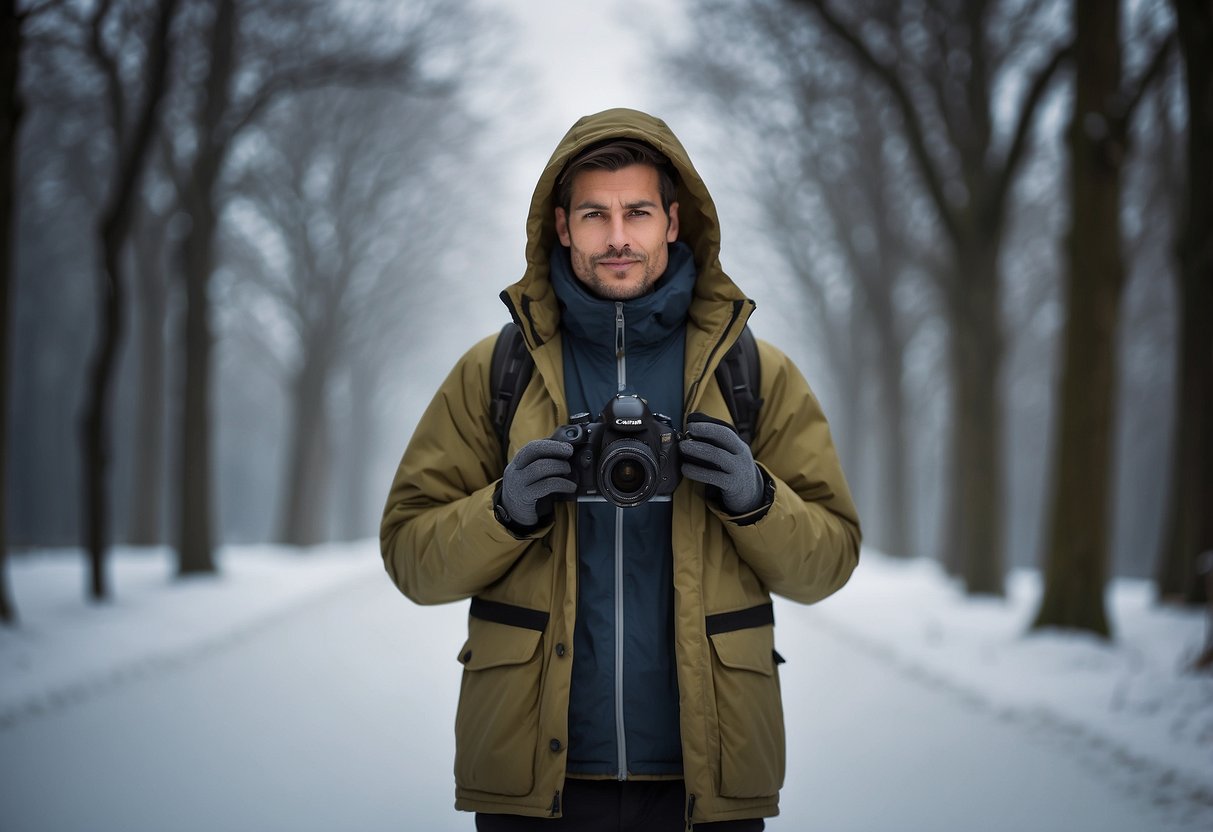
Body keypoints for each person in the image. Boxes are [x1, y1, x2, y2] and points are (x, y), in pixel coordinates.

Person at [380, 108, 861, 830]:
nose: (616, 237)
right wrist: (502, 510)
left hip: (707, 780)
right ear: (562, 226)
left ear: (672, 221)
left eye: (636, 212)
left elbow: (826, 563)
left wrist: (756, 499)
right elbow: (412, 561)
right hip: (534, 781)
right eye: (594, 214)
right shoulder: (496, 372)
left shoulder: (751, 372)